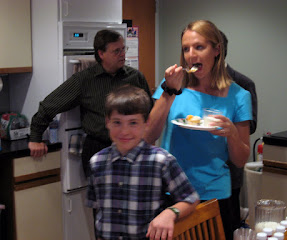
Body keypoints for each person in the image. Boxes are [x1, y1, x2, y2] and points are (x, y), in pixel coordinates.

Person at [145, 20, 252, 240]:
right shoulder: (173, 86)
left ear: (217, 50)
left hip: (214, 195)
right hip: (171, 191)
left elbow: (241, 159)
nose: (191, 55)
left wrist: (231, 133)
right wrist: (169, 91)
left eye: (199, 47)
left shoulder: (240, 96)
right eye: (186, 49)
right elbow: (148, 136)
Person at [28, 29, 152, 177]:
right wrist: (35, 138)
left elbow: (149, 110)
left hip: (133, 147)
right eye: (116, 51)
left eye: (123, 49)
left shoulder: (135, 77)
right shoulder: (84, 80)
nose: (122, 54)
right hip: (98, 148)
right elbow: (49, 105)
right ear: (101, 54)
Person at [86, 85, 200, 240]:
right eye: (117, 122)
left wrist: (170, 213)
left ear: (146, 123)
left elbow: (191, 199)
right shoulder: (96, 162)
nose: (124, 131)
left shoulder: (161, 161)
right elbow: (97, 209)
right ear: (107, 122)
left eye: (133, 123)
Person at [220, 30, 258, 231]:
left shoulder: (243, 84)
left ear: (219, 52)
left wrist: (228, 126)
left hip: (228, 168)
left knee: (228, 225)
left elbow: (251, 125)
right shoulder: (191, 84)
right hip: (195, 174)